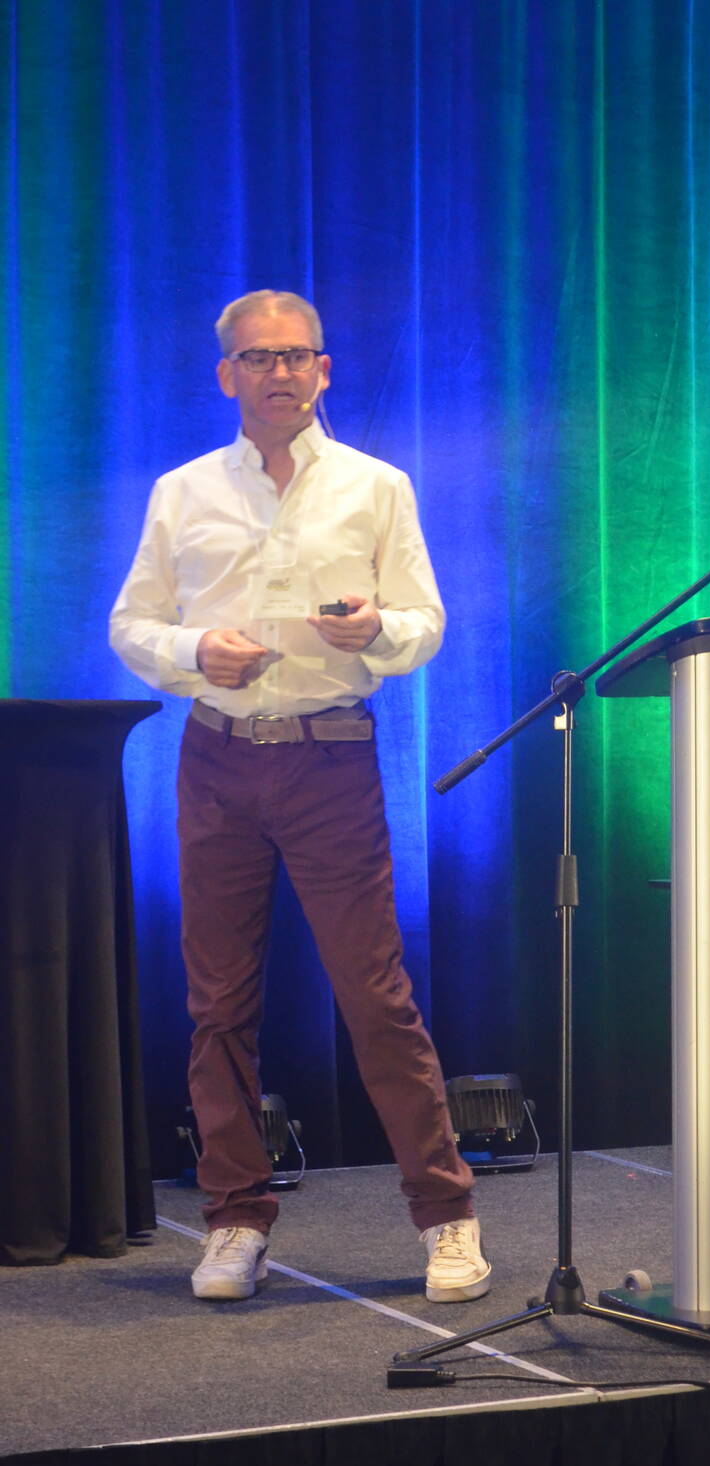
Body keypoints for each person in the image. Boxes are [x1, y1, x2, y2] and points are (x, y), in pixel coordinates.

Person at [110, 288, 489, 1306]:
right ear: (225, 373)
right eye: (259, 357)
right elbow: (132, 626)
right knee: (218, 1004)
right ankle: (235, 1220)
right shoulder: (181, 492)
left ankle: (447, 1214)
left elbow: (427, 621)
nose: (280, 372)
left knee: (374, 997)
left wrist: (379, 631)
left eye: (298, 356)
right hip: (218, 760)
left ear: (326, 371)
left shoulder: (376, 487)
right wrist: (196, 652)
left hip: (330, 759)